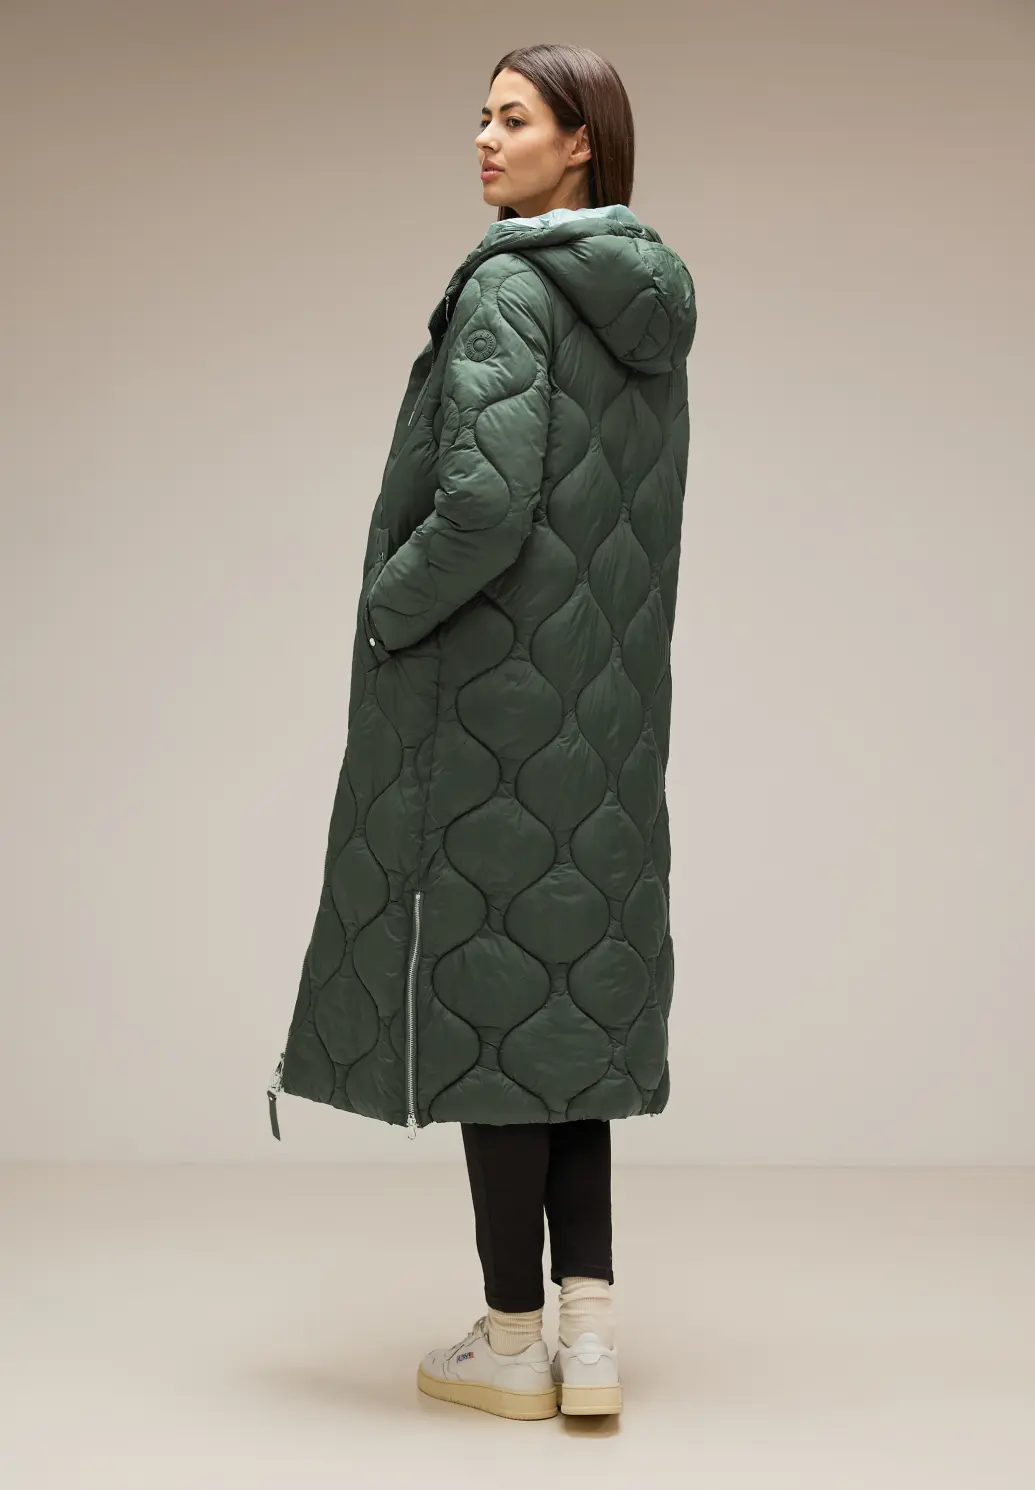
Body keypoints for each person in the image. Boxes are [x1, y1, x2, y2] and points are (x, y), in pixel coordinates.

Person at [267, 41, 696, 1421]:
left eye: (514, 118)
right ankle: (589, 1336)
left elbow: (485, 506)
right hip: (607, 716)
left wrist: (388, 609)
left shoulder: (511, 286)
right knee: (566, 1004)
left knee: (492, 1005)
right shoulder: (644, 300)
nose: (484, 138)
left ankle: (511, 1342)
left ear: (582, 143)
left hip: (489, 709)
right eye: (481, 116)